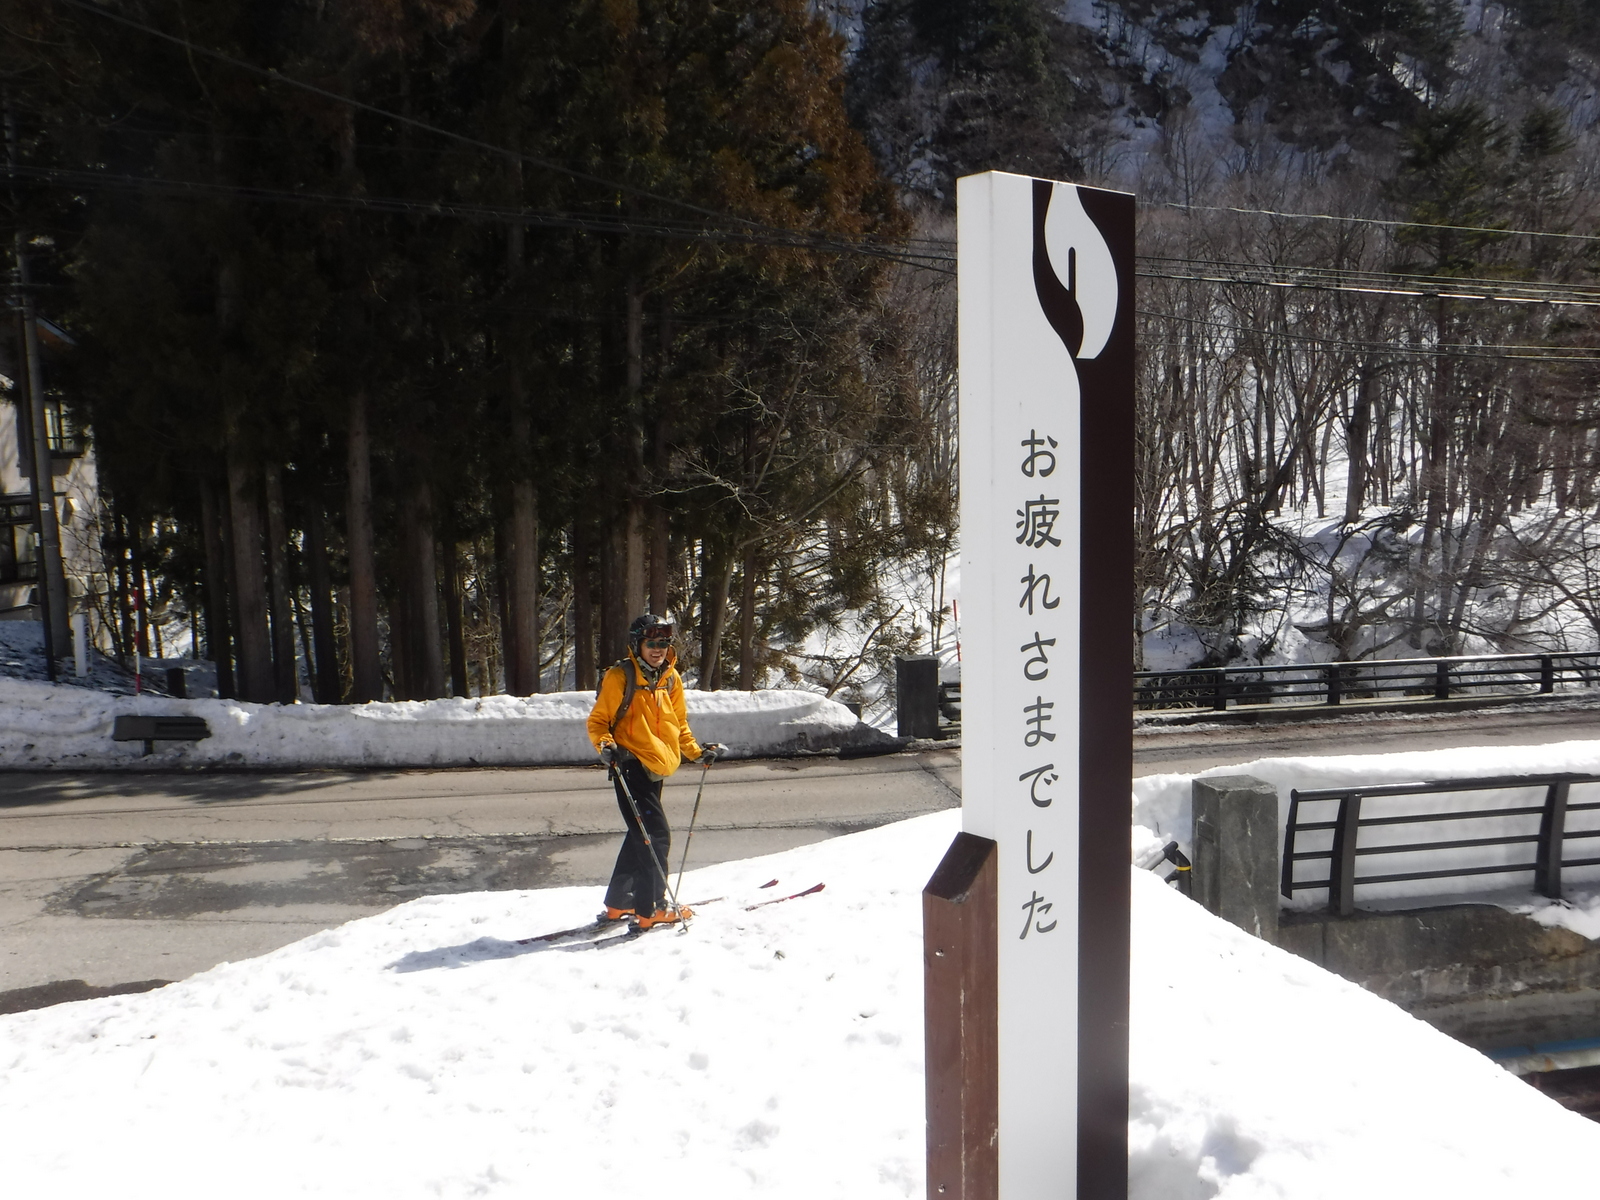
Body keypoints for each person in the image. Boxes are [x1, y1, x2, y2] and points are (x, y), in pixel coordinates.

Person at [587, 613, 722, 929]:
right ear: (638, 644)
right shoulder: (620, 677)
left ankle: (618, 904)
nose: (658, 648)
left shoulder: (670, 679)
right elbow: (598, 722)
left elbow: (679, 724)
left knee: (641, 836)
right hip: (629, 766)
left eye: (663, 642)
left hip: (655, 767)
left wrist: (697, 752)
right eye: (652, 643)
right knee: (655, 837)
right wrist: (606, 746)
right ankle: (651, 909)